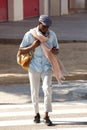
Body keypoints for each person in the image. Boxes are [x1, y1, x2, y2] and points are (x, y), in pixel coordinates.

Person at [19, 15, 59, 126]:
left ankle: (46, 115)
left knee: (47, 89)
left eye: (48, 27)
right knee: (34, 91)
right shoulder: (30, 35)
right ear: (39, 23)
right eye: (44, 26)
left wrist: (54, 51)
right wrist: (32, 46)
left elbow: (57, 50)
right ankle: (36, 114)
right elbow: (21, 50)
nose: (46, 29)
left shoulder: (52, 35)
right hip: (34, 66)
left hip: (47, 66)